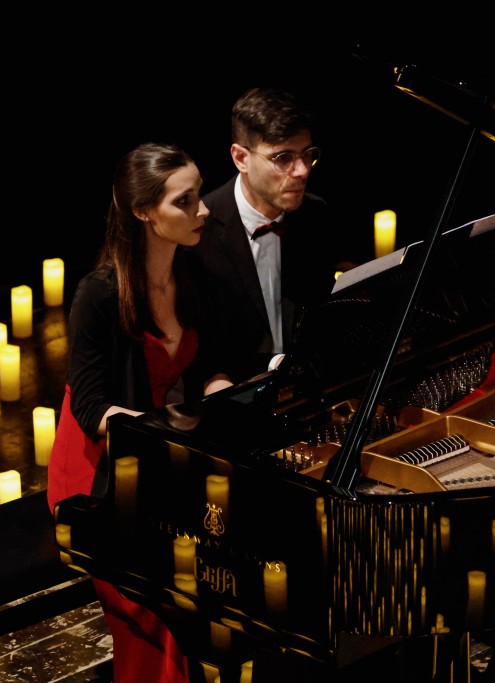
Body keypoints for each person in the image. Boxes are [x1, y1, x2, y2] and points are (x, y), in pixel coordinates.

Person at [47, 142, 230, 683]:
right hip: (97, 474)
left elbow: (209, 363)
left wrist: (221, 390)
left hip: (161, 462)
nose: (203, 210)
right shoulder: (99, 295)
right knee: (165, 602)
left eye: (199, 195)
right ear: (145, 212)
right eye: (185, 201)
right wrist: (159, 435)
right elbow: (90, 407)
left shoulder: (193, 271)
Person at [192, 87, 339, 384]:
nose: (302, 171)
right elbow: (205, 354)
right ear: (241, 158)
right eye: (283, 157)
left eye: (307, 154)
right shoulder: (199, 231)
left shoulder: (315, 214)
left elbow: (320, 319)